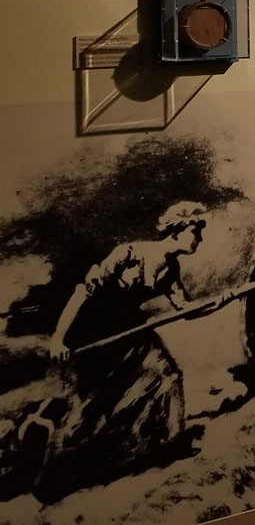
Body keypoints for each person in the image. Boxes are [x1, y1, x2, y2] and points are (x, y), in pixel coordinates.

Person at [42, 203, 227, 496]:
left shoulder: (171, 268)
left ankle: (169, 445)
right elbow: (82, 294)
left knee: (169, 376)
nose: (199, 239)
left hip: (132, 331)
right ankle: (50, 479)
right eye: (195, 231)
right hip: (96, 332)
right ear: (177, 231)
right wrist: (58, 338)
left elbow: (185, 309)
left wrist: (219, 301)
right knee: (92, 405)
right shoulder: (128, 254)